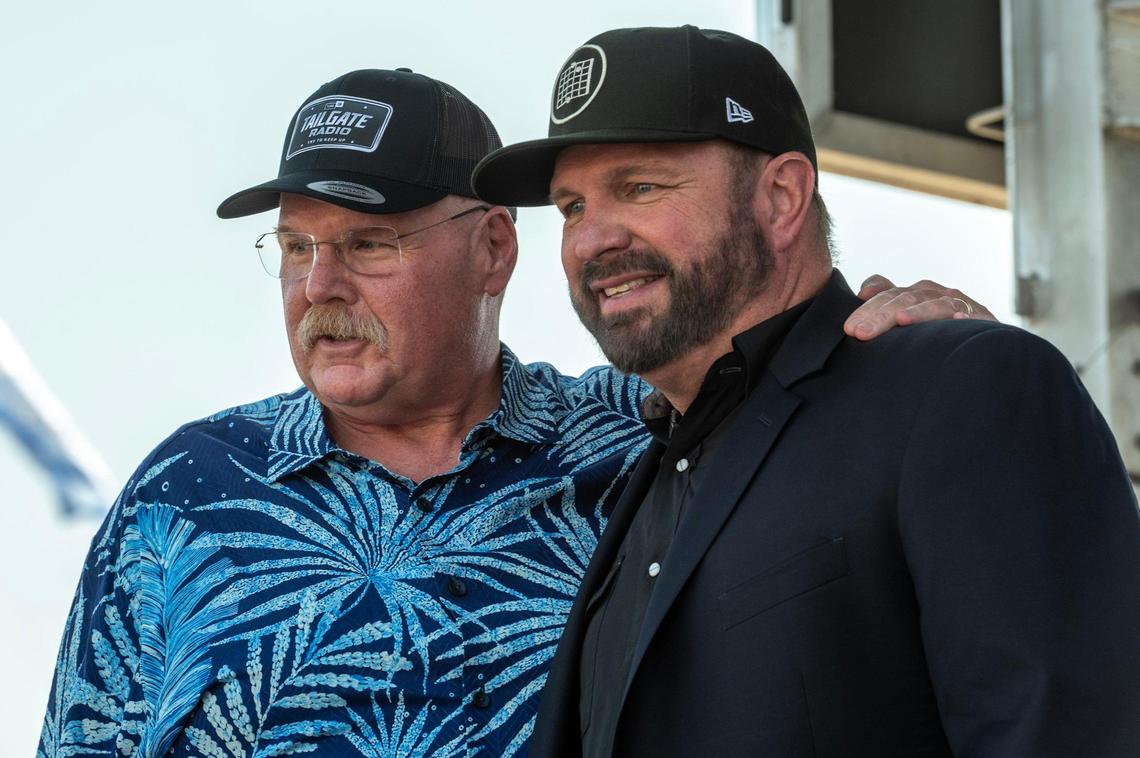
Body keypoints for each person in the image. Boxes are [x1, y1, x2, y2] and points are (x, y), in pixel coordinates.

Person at [39, 68, 989, 758]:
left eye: (368, 243)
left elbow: (835, 421)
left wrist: (916, 344)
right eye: (294, 246)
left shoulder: (650, 440)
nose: (318, 285)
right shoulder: (187, 489)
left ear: (494, 247)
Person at [471, 25, 1140, 758]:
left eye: (639, 187)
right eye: (571, 207)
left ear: (783, 197)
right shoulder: (641, 471)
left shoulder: (959, 387)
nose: (591, 239)